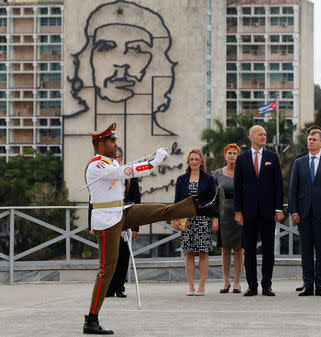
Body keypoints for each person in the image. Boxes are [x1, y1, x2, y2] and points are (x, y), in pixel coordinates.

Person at [83, 123, 219, 334]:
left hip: (121, 213)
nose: (116, 144)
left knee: (160, 211)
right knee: (106, 270)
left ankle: (200, 208)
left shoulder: (108, 162)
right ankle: (91, 319)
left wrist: (125, 224)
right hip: (107, 221)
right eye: (112, 141)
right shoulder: (97, 165)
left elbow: (120, 179)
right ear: (101, 144)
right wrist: (153, 163)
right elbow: (125, 171)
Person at [67, 0, 177, 136]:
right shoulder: (70, 131)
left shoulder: (166, 140)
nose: (121, 63)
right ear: (86, 60)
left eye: (136, 49)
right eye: (106, 48)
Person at [234, 125, 284, 296]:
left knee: (268, 250)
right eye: (260, 134)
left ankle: (267, 285)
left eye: (265, 134)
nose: (264, 137)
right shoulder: (241, 159)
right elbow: (237, 187)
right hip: (248, 212)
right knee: (249, 250)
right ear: (251, 137)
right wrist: (238, 210)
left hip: (268, 211)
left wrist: (278, 208)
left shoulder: (273, 157)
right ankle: (252, 285)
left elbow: (278, 185)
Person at [289, 130, 321, 297]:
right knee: (306, 250)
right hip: (303, 213)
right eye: (309, 139)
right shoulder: (299, 162)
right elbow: (293, 189)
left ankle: (320, 284)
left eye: (314, 139)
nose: (310, 142)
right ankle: (307, 284)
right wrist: (294, 210)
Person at [172, 149, 218, 296]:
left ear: (201, 161)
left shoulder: (209, 179)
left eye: (196, 159)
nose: (194, 161)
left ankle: (202, 286)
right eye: (191, 159)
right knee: (189, 252)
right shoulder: (181, 179)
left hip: (203, 219)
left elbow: (214, 202)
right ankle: (191, 286)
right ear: (188, 162)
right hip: (187, 219)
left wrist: (215, 219)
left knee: (203, 252)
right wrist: (174, 218)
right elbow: (177, 201)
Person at [105, 147, 140, 298]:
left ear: (121, 159)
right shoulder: (104, 174)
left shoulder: (130, 176)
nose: (115, 159)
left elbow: (136, 202)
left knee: (123, 255)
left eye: (117, 157)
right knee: (108, 257)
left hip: (125, 221)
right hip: (107, 220)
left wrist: (135, 226)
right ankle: (108, 288)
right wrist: (92, 224)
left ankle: (120, 287)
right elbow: (92, 201)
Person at [213, 144, 244, 294]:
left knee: (239, 249)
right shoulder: (217, 174)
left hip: (239, 214)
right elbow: (213, 198)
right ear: (225, 155)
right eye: (229, 153)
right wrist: (215, 217)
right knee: (225, 249)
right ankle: (226, 282)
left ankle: (237, 282)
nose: (232, 156)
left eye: (235, 153)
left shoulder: (243, 172)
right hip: (223, 213)